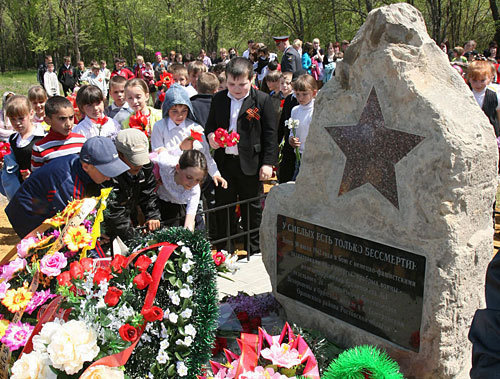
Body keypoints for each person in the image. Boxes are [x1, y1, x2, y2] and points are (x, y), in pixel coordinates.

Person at [205, 57, 277, 254]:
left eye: (242, 84)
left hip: (251, 162)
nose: (236, 88)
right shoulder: (218, 99)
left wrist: (268, 163)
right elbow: (210, 126)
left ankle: (253, 248)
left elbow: (270, 134)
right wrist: (211, 137)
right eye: (231, 83)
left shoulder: (261, 100)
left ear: (252, 79)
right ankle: (224, 248)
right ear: (225, 80)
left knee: (251, 206)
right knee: (224, 205)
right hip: (225, 163)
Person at [6, 136, 129, 238]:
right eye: (105, 171)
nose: (109, 177)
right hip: (29, 213)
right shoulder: (67, 184)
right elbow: (70, 225)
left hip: (47, 203)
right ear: (86, 166)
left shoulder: (82, 168)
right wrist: (91, 234)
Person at [102, 129, 161, 242]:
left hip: (131, 218)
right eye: (133, 160)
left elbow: (148, 194)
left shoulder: (146, 168)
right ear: (120, 155)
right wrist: (134, 239)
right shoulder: (109, 175)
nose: (138, 165)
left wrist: (152, 216)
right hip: (109, 228)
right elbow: (114, 212)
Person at [154, 149, 207, 231]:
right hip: (162, 205)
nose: (192, 183)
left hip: (183, 208)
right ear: (178, 168)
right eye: (189, 177)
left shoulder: (195, 190)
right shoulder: (166, 165)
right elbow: (161, 150)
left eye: (198, 180)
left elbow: (190, 219)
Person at [31, 96, 86, 171]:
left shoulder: (81, 141)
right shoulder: (40, 148)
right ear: (48, 120)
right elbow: (38, 178)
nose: (68, 124)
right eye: (62, 119)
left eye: (71, 118)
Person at [5, 95, 45, 184]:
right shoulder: (13, 140)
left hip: (41, 185)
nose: (17, 123)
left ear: (31, 114)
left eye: (21, 118)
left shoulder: (41, 136)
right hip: (22, 187)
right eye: (13, 119)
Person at [287, 74, 317, 179]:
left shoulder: (316, 110)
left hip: (313, 156)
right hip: (299, 154)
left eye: (304, 94)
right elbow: (292, 130)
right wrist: (291, 139)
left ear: (314, 93)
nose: (300, 98)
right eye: (297, 94)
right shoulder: (295, 110)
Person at [467, 60, 500, 137]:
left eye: (482, 80)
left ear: (490, 78)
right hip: (470, 133)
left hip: (490, 135)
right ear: (469, 78)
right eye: (474, 80)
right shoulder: (465, 94)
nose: (478, 84)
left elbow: (498, 116)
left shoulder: (495, 95)